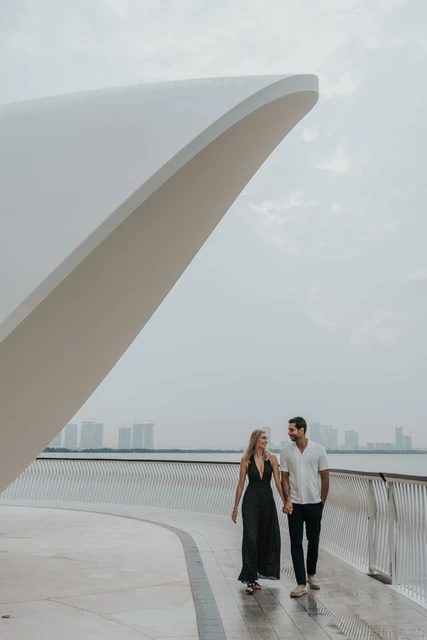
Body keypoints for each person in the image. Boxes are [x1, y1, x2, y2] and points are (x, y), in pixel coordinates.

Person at [232, 429, 287, 594]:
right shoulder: (245, 460)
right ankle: (249, 578)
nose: (266, 441)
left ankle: (255, 576)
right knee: (251, 539)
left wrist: (286, 502)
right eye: (263, 438)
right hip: (250, 501)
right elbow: (241, 484)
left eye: (267, 438)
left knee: (265, 538)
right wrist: (235, 508)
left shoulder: (272, 459)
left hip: (267, 502)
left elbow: (278, 482)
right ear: (255, 440)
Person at [280, 417, 329, 598]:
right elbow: (284, 477)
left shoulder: (318, 450)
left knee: (313, 540)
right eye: (288, 429)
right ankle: (301, 583)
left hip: (314, 503)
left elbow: (325, 476)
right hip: (294, 504)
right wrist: (287, 499)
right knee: (295, 542)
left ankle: (311, 575)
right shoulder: (286, 452)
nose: (289, 432)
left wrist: (322, 502)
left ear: (302, 430)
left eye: (292, 429)